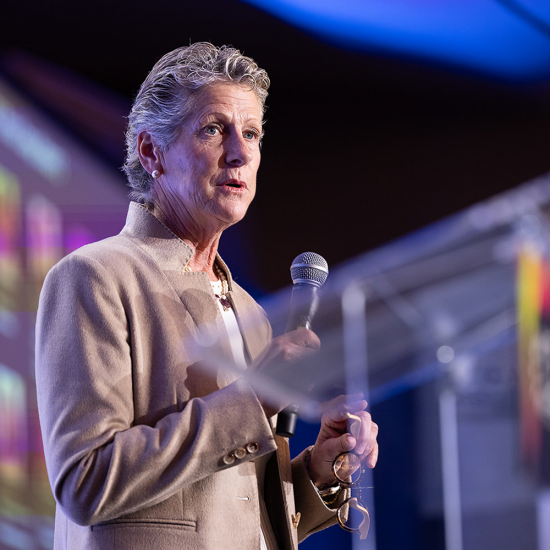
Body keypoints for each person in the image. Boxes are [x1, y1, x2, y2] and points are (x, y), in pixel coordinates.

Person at [35, 43, 379, 550]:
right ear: (152, 153)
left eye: (253, 133)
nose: (240, 152)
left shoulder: (251, 312)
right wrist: (254, 397)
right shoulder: (93, 277)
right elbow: (86, 482)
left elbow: (234, 515)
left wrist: (317, 475)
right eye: (214, 129)